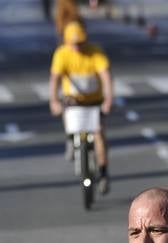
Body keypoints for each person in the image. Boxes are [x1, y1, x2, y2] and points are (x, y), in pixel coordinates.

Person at [49, 20, 113, 193]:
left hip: (94, 101)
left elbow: (105, 76)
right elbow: (55, 79)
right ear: (66, 42)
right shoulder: (61, 54)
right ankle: (70, 139)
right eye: (73, 44)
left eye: (80, 43)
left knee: (99, 134)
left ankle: (103, 173)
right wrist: (54, 101)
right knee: (65, 110)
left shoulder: (95, 52)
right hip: (73, 100)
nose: (77, 47)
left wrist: (108, 100)